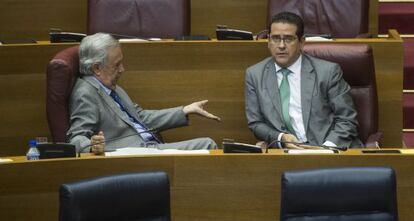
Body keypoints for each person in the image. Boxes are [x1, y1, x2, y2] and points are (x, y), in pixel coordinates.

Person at [67, 33, 221, 154]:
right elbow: (76, 137)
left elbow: (141, 118)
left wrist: (184, 110)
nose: (122, 69)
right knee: (208, 145)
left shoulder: (112, 87)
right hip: (134, 154)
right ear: (96, 68)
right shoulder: (85, 92)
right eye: (117, 65)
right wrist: (91, 147)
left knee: (207, 145)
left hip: (150, 146)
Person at [245, 12, 363, 149]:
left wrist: (326, 149)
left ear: (301, 42)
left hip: (329, 148)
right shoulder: (255, 74)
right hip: (287, 152)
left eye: (288, 39)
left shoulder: (328, 72)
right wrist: (281, 138)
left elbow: (347, 120)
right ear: (268, 41)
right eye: (276, 38)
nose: (281, 45)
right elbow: (256, 123)